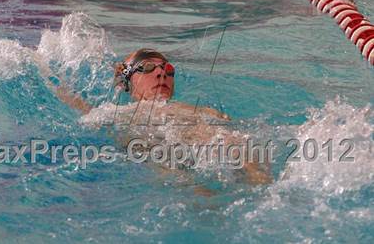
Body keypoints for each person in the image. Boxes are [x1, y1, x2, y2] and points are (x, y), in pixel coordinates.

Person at [46, 48, 272, 186]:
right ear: (127, 81)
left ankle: (263, 187)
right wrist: (44, 70)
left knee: (236, 144)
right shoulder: (121, 113)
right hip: (160, 151)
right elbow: (82, 109)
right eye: (147, 68)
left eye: (168, 69)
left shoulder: (205, 111)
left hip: (211, 147)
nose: (161, 73)